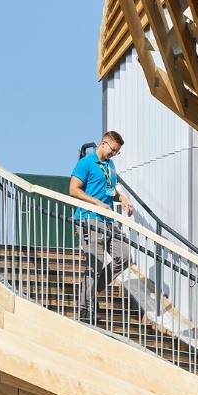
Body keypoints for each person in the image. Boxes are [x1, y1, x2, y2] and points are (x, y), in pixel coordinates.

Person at [70, 131, 134, 322]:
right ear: (104, 144)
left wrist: (121, 197)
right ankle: (86, 310)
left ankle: (91, 290)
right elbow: (73, 190)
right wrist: (96, 203)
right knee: (94, 265)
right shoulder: (86, 163)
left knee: (124, 257)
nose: (114, 154)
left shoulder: (110, 165)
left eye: (117, 152)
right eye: (113, 150)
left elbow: (108, 188)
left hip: (107, 220)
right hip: (89, 218)